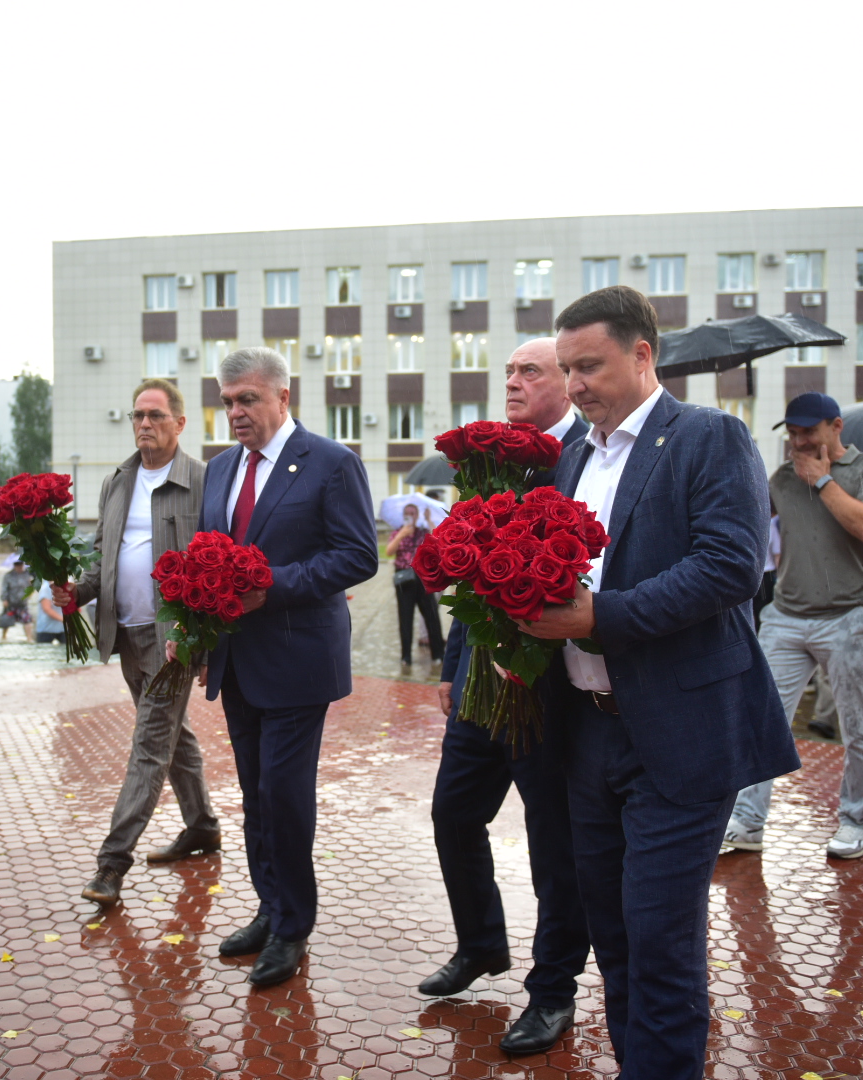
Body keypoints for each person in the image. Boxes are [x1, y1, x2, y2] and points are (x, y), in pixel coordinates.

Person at [516, 286, 798, 1078]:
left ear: (643, 355)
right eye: (566, 368)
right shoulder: (572, 457)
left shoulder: (710, 437)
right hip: (586, 732)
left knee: (660, 939)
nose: (573, 385)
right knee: (614, 936)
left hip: (681, 732)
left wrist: (599, 616)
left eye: (589, 366)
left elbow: (730, 567)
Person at [189, 346, 378, 988]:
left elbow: (357, 556)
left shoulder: (331, 462)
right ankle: (270, 908)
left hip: (299, 659)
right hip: (235, 658)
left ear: (282, 396)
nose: (236, 412)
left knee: (283, 795)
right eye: (227, 402)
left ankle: (293, 925)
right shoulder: (220, 469)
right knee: (254, 794)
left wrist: (271, 586)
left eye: (248, 399)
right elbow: (209, 556)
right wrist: (197, 633)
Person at [426, 336, 592, 1057]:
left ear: (566, 380)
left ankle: (553, 990)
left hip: (549, 687)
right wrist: (453, 664)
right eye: (509, 372)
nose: (514, 383)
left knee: (554, 845)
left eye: (530, 371)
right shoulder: (488, 463)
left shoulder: (585, 455)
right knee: (453, 813)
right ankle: (481, 943)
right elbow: (470, 573)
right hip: (478, 683)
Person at [50, 378, 220, 907]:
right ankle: (202, 826)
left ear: (180, 423)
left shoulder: (203, 480)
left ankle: (112, 864)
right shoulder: (118, 481)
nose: (144, 424)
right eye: (138, 415)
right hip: (125, 632)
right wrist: (76, 592)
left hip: (174, 641)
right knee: (172, 737)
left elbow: (214, 564)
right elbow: (103, 556)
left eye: (155, 415)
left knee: (149, 746)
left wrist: (202, 642)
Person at [723, 393, 863, 861]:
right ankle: (747, 821)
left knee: (858, 727)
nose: (798, 442)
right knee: (760, 717)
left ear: (835, 427)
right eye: (793, 433)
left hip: (850, 617)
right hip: (786, 617)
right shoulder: (782, 478)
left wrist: (822, 481)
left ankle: (857, 822)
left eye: (808, 432)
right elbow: (745, 523)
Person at [388, 503, 445, 675]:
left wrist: (429, 520)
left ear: (417, 515)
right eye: (407, 513)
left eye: (413, 513)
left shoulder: (422, 532)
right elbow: (389, 551)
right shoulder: (397, 532)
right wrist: (401, 535)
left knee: (432, 615)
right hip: (404, 581)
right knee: (405, 618)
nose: (410, 515)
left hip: (422, 579)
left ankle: (438, 654)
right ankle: (406, 656)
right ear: (403, 515)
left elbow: (437, 540)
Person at [0, 559, 34, 642]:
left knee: (27, 620)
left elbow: (32, 587)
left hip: (22, 603)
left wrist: (31, 588)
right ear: (14, 565)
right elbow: (4, 588)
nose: (19, 567)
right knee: (6, 620)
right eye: (17, 565)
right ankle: (3, 637)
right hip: (11, 602)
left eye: (20, 565)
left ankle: (29, 638)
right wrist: (4, 599)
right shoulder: (8, 575)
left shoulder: (27, 574)